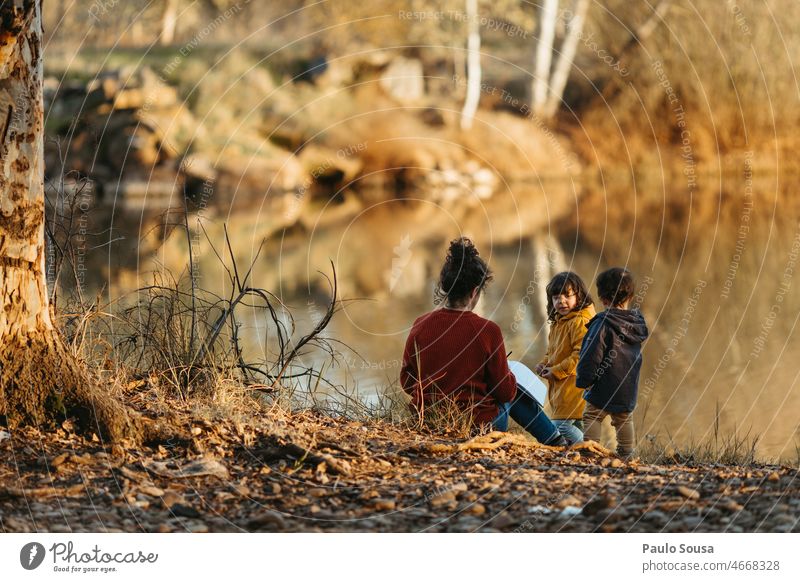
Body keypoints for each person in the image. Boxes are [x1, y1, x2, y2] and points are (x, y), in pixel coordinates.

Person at [400, 237, 566, 446]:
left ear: (445, 287)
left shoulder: (419, 325)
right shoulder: (488, 331)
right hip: (480, 427)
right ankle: (557, 442)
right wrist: (506, 376)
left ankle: (557, 440)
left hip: (428, 422)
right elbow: (505, 392)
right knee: (514, 390)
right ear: (474, 292)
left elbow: (407, 382)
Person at [576, 267, 649, 458]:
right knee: (624, 419)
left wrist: (584, 380)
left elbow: (591, 355)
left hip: (603, 383)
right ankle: (626, 453)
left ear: (603, 299)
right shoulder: (636, 322)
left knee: (592, 415)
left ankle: (590, 451)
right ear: (630, 296)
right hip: (627, 384)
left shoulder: (602, 323)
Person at [534, 272, 596, 444]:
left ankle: (589, 450)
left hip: (575, 388)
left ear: (579, 296)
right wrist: (544, 364)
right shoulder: (559, 322)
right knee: (575, 425)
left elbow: (581, 355)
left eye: (567, 296)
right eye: (556, 297)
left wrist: (555, 371)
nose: (561, 301)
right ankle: (584, 457)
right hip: (562, 389)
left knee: (560, 426)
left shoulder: (580, 322)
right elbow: (552, 351)